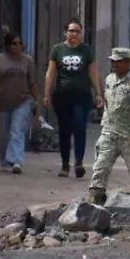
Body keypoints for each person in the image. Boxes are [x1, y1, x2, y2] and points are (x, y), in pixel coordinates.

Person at [87, 48, 130, 206]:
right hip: (109, 133)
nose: (113, 64)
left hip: (129, 136)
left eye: (117, 62)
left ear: (127, 63)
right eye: (112, 61)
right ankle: (95, 202)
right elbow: (109, 105)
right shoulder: (109, 79)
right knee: (100, 167)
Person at [44, 18, 104, 178]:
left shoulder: (86, 50)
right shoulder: (57, 50)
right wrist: (46, 94)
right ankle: (65, 164)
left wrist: (98, 93)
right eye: (71, 31)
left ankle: (78, 161)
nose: (74, 34)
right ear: (65, 32)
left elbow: (93, 72)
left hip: (82, 96)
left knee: (79, 126)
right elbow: (50, 73)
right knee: (64, 130)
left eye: (77, 31)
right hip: (62, 96)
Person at [0, 32, 40, 174]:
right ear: (8, 45)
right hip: (3, 102)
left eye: (20, 43)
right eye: (14, 43)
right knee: (5, 134)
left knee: (16, 131)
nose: (18, 46)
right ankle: (5, 160)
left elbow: (32, 82)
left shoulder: (27, 61)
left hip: (22, 101)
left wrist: (36, 100)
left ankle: (17, 161)